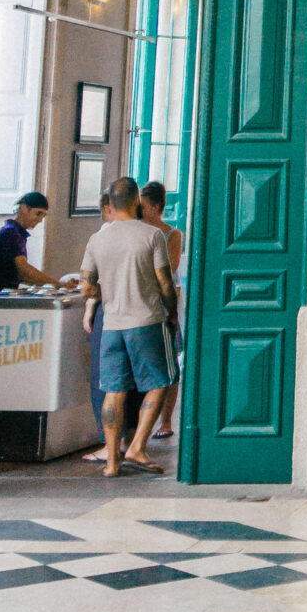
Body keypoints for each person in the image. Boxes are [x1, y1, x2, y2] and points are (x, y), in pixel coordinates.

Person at [79, 177, 176, 478]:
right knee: (161, 381)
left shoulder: (98, 238)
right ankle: (137, 447)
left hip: (112, 324)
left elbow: (85, 286)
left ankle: (111, 462)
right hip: (145, 320)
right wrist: (171, 314)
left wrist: (104, 295)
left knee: (113, 389)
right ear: (136, 201)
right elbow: (164, 282)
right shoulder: (150, 235)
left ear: (110, 203)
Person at [139, 182, 184, 447]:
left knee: (169, 363)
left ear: (156, 207)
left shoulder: (171, 234)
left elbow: (171, 267)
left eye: (144, 207)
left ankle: (166, 420)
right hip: (144, 304)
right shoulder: (138, 232)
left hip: (164, 305)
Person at [0, 191, 58, 293]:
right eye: (38, 213)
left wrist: (51, 285)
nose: (40, 219)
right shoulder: (10, 232)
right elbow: (23, 272)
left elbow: (20, 275)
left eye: (43, 215)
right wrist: (57, 285)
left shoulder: (15, 232)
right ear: (24, 209)